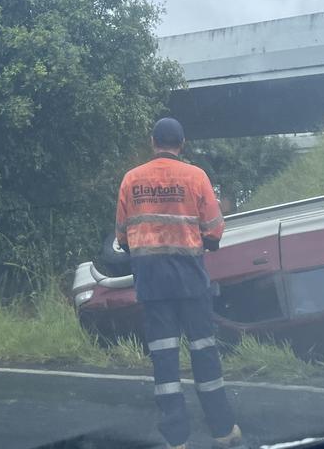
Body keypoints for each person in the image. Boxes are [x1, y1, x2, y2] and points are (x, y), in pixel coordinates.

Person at [115, 118, 245, 449]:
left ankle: (176, 441)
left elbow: (122, 237)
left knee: (164, 360)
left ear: (152, 142)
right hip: (190, 280)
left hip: (152, 283)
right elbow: (214, 231)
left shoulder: (131, 180)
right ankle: (223, 431)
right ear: (182, 143)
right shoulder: (196, 176)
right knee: (204, 353)